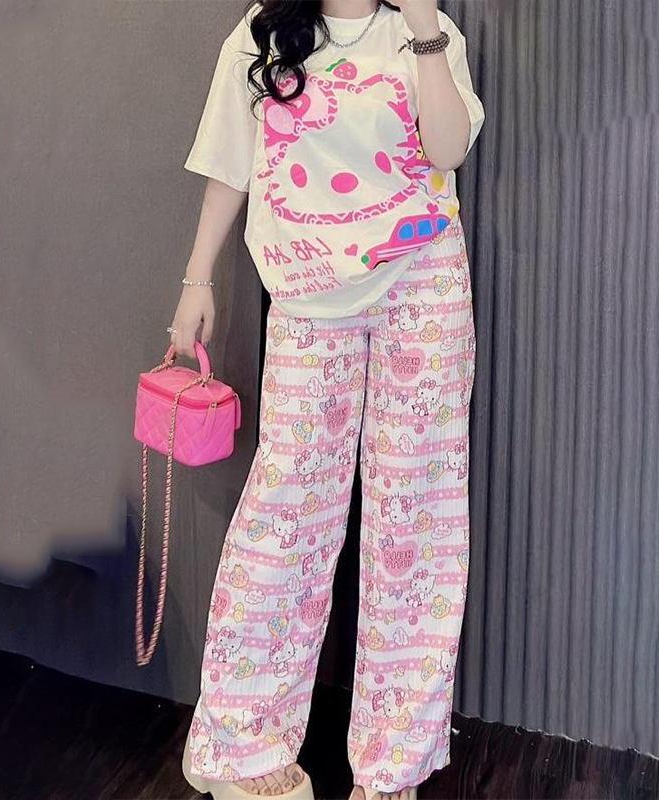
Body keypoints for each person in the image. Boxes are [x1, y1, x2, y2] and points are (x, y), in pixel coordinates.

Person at [174, 1, 485, 798]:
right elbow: (230, 163)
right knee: (289, 507)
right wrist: (197, 279)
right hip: (309, 294)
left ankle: (392, 763)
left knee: (416, 515)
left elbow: (449, 148)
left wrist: (424, 25)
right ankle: (239, 742)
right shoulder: (263, 32)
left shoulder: (424, 30)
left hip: (422, 281)